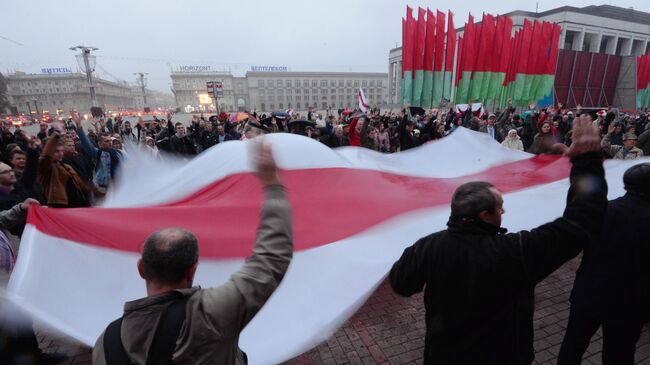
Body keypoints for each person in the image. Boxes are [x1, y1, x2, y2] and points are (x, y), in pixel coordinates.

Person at [388, 115, 608, 365]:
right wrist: (587, 163)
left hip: (444, 355)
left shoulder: (428, 247)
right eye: (499, 207)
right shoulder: (515, 252)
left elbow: (402, 283)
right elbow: (579, 224)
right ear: (484, 215)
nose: (503, 213)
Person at [92, 140, 293, 365]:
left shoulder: (106, 343)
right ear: (192, 270)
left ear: (141, 268)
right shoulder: (210, 315)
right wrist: (272, 184)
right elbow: (270, 261)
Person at [558, 163, 650, 365]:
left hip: (589, 292)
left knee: (572, 346)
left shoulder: (603, 210)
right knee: (619, 355)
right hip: (629, 304)